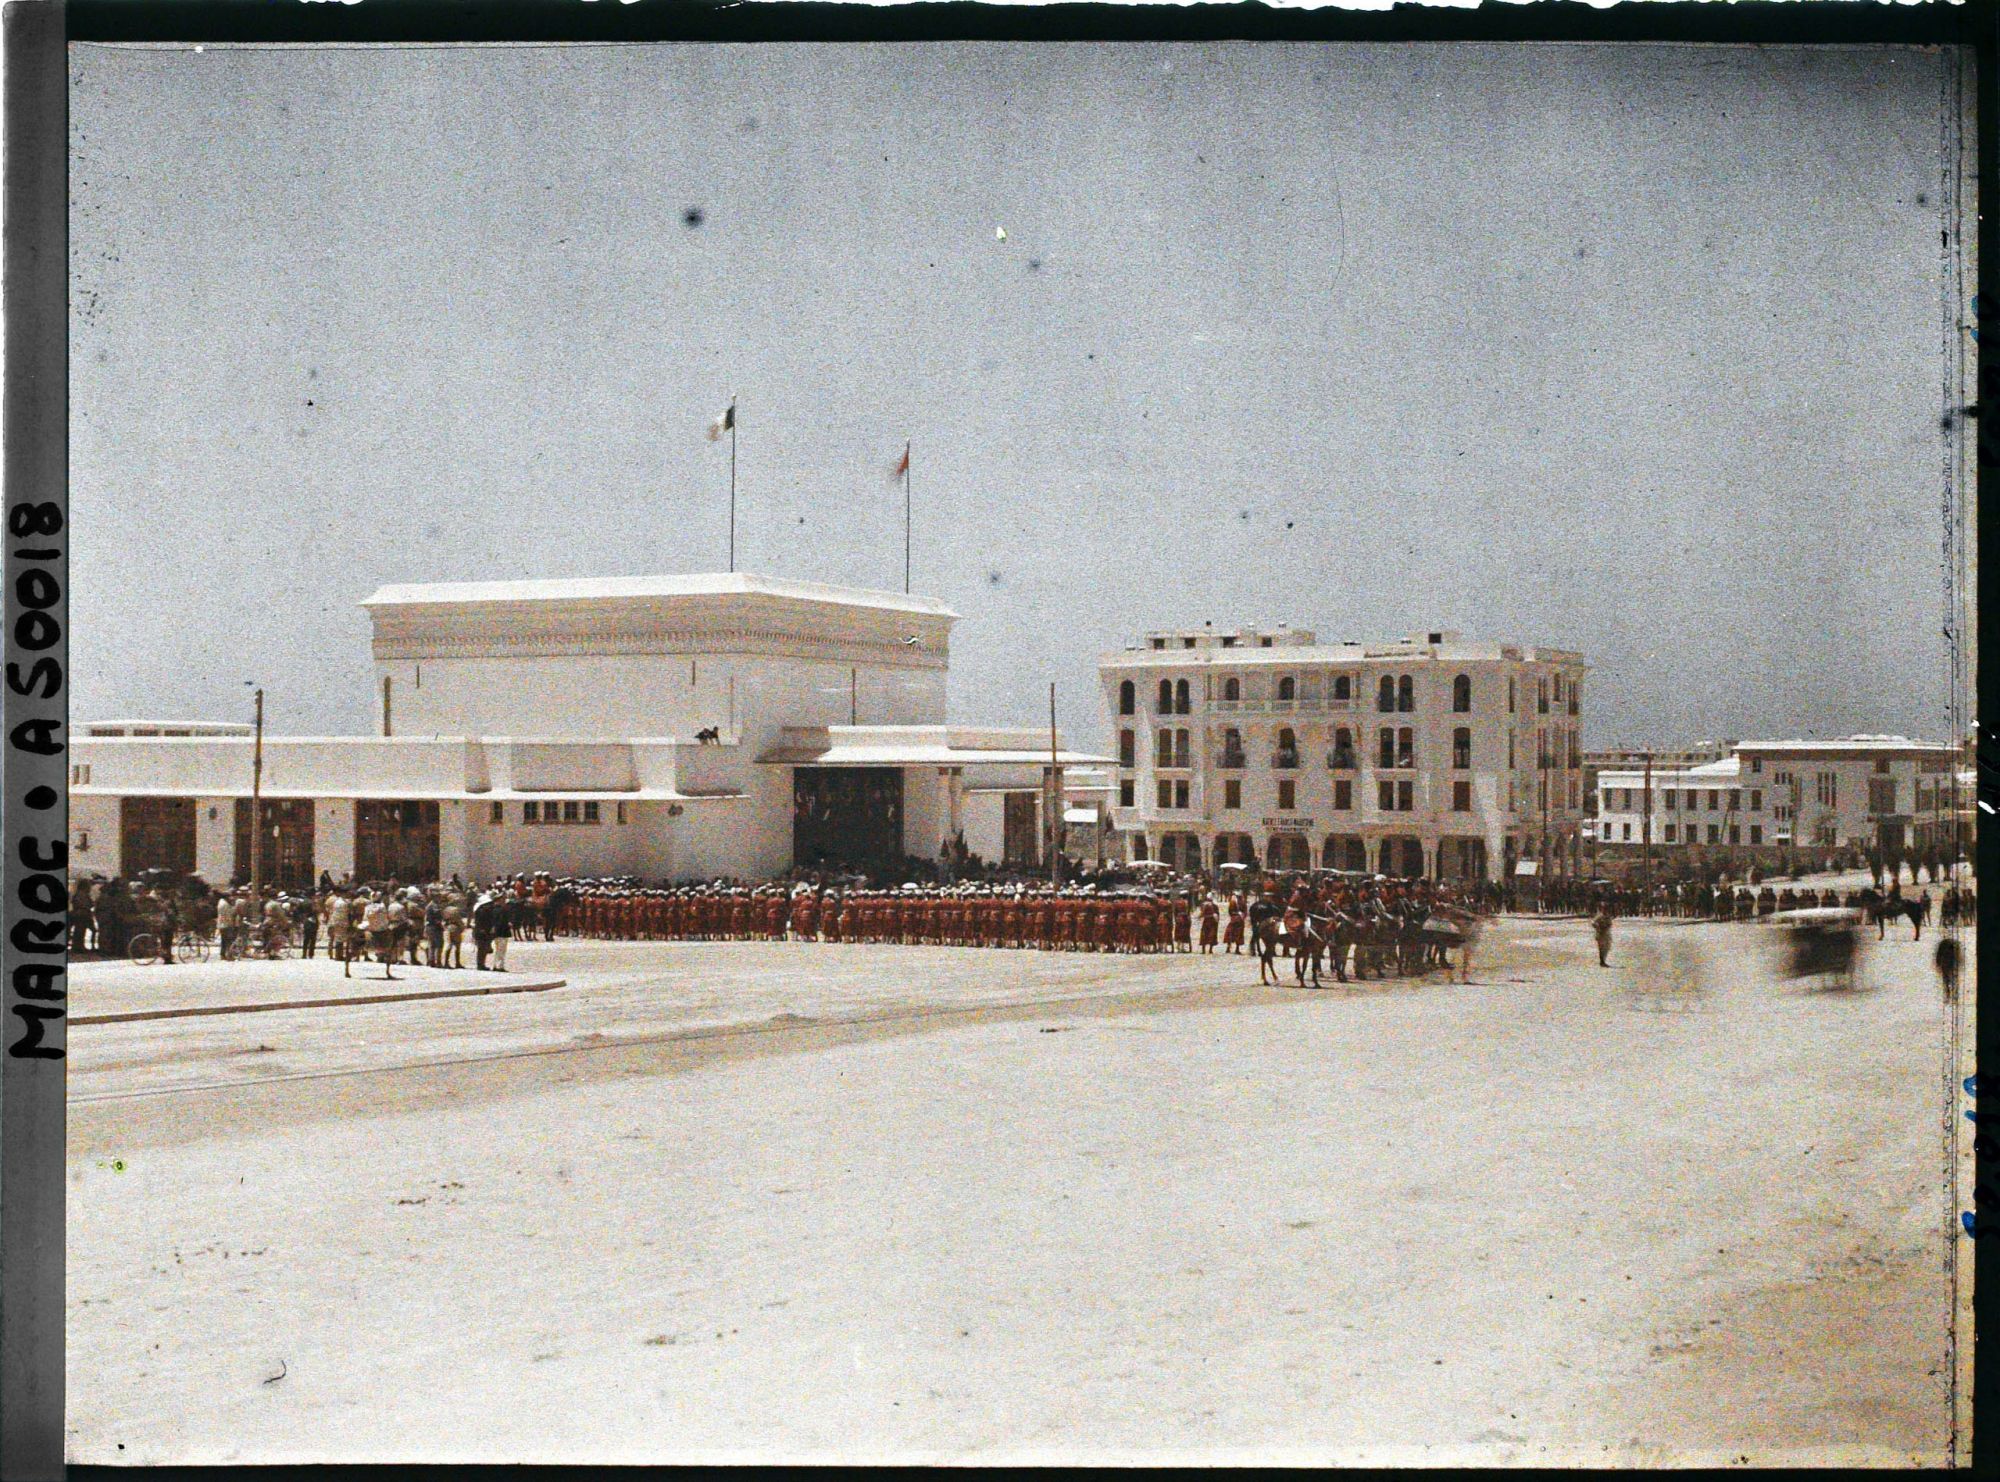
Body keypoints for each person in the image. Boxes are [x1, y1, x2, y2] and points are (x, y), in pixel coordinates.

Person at [1936, 935, 1961, 1002]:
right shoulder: (1945, 944)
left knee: (1948, 981)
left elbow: (1939, 956)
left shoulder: (1944, 944)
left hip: (1948, 965)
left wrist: (1938, 964)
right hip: (1947, 965)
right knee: (1951, 980)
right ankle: (1952, 996)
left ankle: (1951, 995)